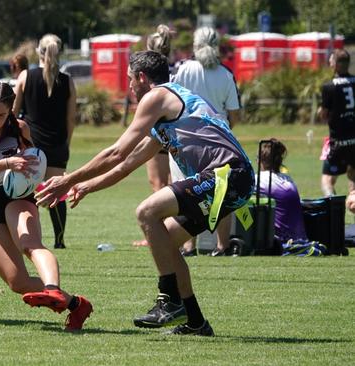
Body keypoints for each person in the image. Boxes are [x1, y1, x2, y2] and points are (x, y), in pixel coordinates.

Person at [36, 51, 254, 336]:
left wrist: (68, 179)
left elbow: (116, 152)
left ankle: (170, 301)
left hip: (228, 174)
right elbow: (126, 165)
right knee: (164, 240)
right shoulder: (166, 114)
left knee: (146, 212)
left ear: (141, 77)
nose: (128, 88)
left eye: (129, 80)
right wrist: (86, 186)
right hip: (233, 180)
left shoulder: (158, 96)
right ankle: (196, 322)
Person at [0, 81, 92, 331]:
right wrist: (6, 164)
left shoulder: (20, 129)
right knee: (18, 282)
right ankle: (76, 305)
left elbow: (34, 164)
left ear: (11, 112)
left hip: (15, 196)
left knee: (29, 243)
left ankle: (52, 289)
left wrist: (38, 179)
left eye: (1, 115)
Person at [172, 26, 242, 257]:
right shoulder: (225, 74)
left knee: (184, 193)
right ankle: (221, 247)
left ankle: (188, 246)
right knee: (221, 193)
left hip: (185, 141)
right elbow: (235, 115)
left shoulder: (182, 70)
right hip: (219, 143)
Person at [13, 34, 76, 249]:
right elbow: (70, 119)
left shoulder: (25, 77)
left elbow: (12, 113)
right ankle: (59, 241)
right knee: (56, 193)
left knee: (29, 192)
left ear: (39, 51)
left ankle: (31, 239)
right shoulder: (67, 81)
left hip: (31, 143)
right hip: (57, 144)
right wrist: (65, 142)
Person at [132, 25, 172, 248]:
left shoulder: (151, 78)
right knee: (173, 184)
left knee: (158, 185)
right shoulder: (173, 69)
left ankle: (158, 234)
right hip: (174, 133)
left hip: (158, 133)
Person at [318, 49, 355, 197]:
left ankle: (334, 210)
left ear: (337, 65)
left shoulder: (329, 86)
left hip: (338, 141)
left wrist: (320, 112)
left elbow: (324, 114)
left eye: (331, 60)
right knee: (353, 176)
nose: (329, 63)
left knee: (327, 180)